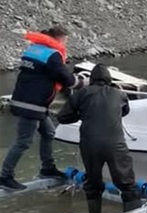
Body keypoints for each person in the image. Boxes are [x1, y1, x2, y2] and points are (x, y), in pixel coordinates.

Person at [0, 26, 86, 191]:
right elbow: (66, 78)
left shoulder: (34, 50)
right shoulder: (52, 55)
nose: (66, 44)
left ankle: (47, 168)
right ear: (59, 39)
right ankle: (5, 176)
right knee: (23, 142)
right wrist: (83, 83)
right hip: (32, 105)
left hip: (28, 100)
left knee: (49, 133)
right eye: (66, 40)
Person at [56, 64, 141, 213]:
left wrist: (81, 114)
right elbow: (125, 112)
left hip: (90, 144)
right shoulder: (120, 94)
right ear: (109, 80)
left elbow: (62, 117)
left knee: (93, 184)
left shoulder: (81, 94)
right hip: (116, 144)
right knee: (127, 185)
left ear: (91, 80)